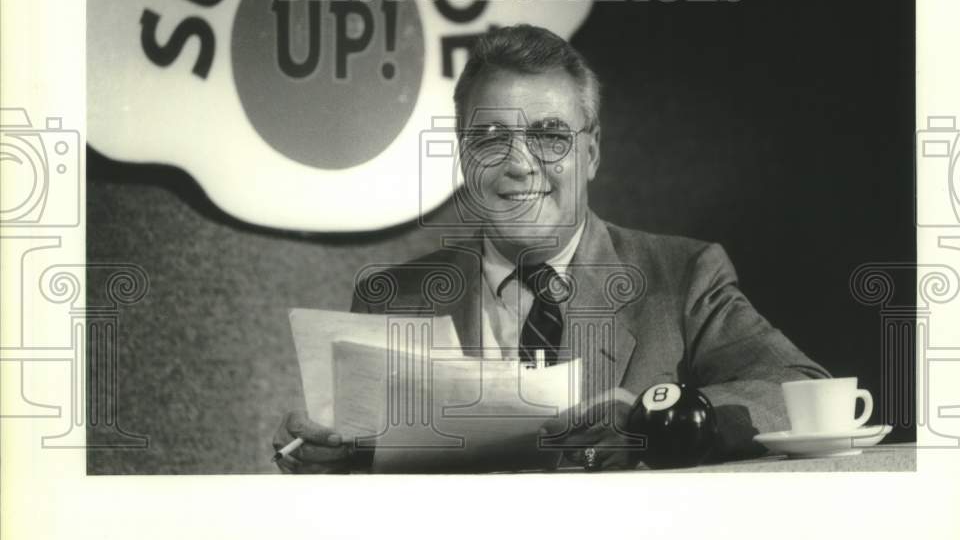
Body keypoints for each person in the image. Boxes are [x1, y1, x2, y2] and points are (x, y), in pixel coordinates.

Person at [273, 24, 830, 473]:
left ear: (590, 153)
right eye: (490, 138)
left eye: (548, 135)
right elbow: (359, 471)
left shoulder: (682, 277)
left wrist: (659, 423)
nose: (518, 163)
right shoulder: (389, 298)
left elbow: (804, 392)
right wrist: (323, 458)